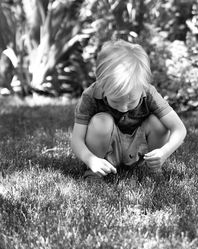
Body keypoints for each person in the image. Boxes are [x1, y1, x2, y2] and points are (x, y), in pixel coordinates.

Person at [71, 40, 187, 181]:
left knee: (158, 123)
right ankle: (94, 173)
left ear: (143, 86)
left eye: (132, 101)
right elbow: (76, 139)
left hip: (138, 150)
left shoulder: (149, 93)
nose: (124, 107)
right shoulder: (90, 95)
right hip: (105, 152)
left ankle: (153, 169)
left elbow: (179, 129)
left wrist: (164, 152)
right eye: (116, 101)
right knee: (101, 122)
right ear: (102, 86)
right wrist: (91, 160)